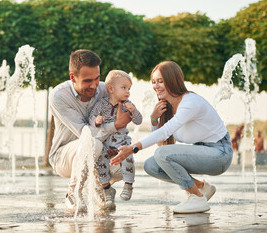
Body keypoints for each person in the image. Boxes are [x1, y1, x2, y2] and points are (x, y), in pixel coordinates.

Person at [110, 61, 233, 214]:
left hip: (220, 154)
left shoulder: (190, 102)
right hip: (204, 151)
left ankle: (196, 198)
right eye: (154, 82)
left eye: (160, 81)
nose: (156, 86)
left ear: (172, 80)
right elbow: (162, 144)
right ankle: (201, 188)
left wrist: (132, 148)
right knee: (152, 165)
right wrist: (154, 119)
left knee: (162, 155)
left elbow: (164, 134)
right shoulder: (167, 107)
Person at [48, 49, 131, 212]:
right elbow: (85, 133)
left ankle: (98, 186)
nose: (94, 85)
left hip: (96, 149)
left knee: (125, 160)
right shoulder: (59, 95)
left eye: (97, 78)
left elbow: (124, 115)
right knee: (93, 143)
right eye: (87, 81)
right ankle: (73, 193)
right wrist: (114, 125)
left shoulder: (105, 89)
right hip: (63, 156)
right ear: (73, 77)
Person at [89, 70, 142, 207]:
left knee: (128, 157)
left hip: (122, 141)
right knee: (100, 163)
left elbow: (139, 120)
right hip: (106, 142)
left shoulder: (127, 104)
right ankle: (107, 189)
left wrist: (133, 111)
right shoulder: (102, 104)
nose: (127, 92)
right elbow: (91, 117)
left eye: (129, 89)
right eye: (123, 88)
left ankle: (128, 185)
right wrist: (96, 120)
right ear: (111, 89)